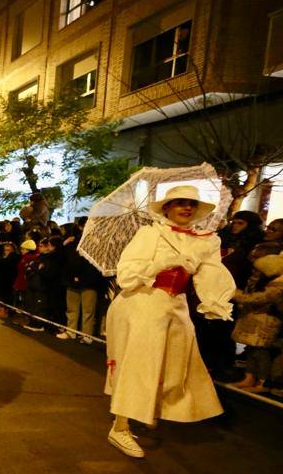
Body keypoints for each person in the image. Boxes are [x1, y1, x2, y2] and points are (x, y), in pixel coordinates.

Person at [104, 185, 234, 458]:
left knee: (177, 364)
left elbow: (212, 274)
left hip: (177, 305)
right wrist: (160, 263)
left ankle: (150, 407)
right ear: (167, 207)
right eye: (179, 203)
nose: (186, 208)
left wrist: (215, 300)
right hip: (143, 302)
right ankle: (120, 426)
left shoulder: (206, 240)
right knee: (139, 363)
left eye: (191, 203)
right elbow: (126, 275)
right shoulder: (151, 233)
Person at [230, 254, 283, 393]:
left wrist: (236, 294)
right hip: (256, 322)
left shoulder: (277, 287)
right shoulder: (260, 283)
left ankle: (263, 382)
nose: (253, 272)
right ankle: (249, 378)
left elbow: (257, 299)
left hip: (266, 323)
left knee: (261, 352)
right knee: (252, 350)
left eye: (257, 271)